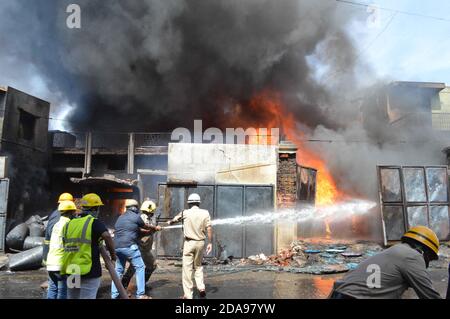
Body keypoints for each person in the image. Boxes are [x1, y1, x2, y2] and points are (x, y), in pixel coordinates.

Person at [331, 226, 442, 299]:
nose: (427, 263)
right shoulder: (413, 256)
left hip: (338, 294)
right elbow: (429, 295)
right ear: (424, 251)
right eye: (430, 258)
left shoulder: (395, 251)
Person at [61, 193, 116, 299]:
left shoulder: (68, 224)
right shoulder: (94, 222)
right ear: (95, 208)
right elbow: (107, 237)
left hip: (72, 269)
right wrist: (113, 257)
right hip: (89, 271)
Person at [111, 199, 162, 299]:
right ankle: (140, 294)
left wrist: (153, 230)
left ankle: (115, 294)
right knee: (140, 267)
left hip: (118, 247)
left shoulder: (121, 217)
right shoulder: (137, 217)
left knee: (119, 270)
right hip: (133, 246)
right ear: (135, 208)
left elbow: (141, 231)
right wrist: (155, 228)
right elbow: (145, 227)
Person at [167, 193, 213, 299]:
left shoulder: (185, 213)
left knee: (187, 269)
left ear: (189, 203)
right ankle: (201, 288)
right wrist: (210, 243)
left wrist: (169, 222)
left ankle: (188, 295)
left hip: (189, 243)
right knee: (198, 266)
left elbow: (174, 220)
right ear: (199, 202)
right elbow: (209, 228)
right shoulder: (205, 213)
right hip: (200, 243)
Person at [121, 200, 159, 291]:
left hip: (146, 249)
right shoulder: (142, 218)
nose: (153, 213)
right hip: (140, 247)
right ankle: (122, 286)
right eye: (152, 211)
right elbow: (141, 231)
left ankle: (141, 284)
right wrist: (153, 229)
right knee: (134, 268)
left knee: (151, 266)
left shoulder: (148, 219)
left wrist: (154, 228)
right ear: (150, 211)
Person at [46, 200, 77, 299]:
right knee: (63, 291)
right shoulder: (69, 225)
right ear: (71, 212)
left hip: (51, 263)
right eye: (74, 212)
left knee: (52, 289)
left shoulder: (57, 224)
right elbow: (69, 246)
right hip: (61, 264)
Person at [43, 193, 74, 266]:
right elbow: (54, 236)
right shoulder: (58, 217)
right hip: (56, 258)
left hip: (53, 257)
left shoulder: (59, 215)